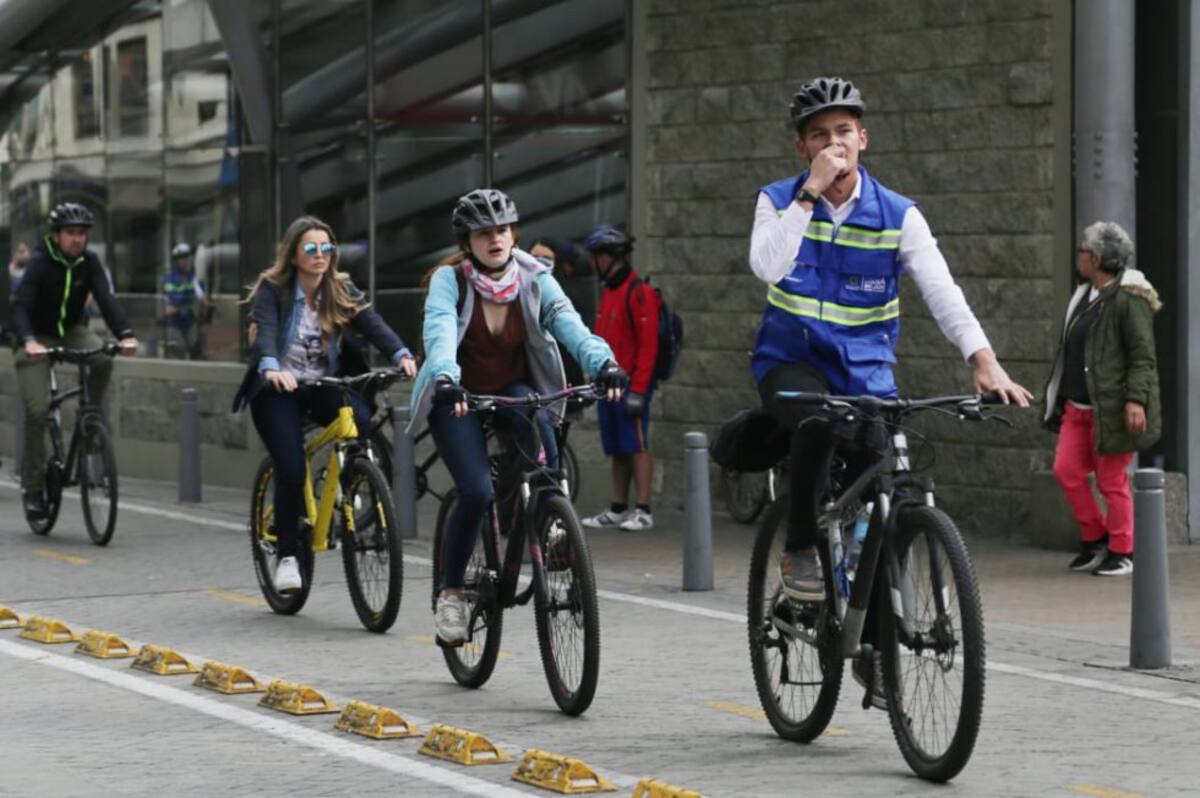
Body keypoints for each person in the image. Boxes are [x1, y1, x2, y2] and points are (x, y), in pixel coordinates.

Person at [749, 76, 1032, 704]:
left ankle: (873, 645)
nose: (834, 143)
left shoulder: (898, 214)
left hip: (867, 376)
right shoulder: (777, 200)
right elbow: (767, 266)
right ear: (803, 148)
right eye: (819, 135)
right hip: (793, 365)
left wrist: (983, 362)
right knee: (817, 425)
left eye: (843, 131)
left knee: (886, 494)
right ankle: (799, 551)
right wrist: (809, 195)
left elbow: (942, 291)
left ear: (864, 138)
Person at [408, 188, 626, 647]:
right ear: (467, 241)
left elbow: (569, 323)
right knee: (475, 489)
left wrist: (602, 363)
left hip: (511, 390)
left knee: (542, 440)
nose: (495, 239)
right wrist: (446, 379)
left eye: (502, 230)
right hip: (459, 395)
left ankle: (551, 527)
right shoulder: (452, 281)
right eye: (484, 232)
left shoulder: (535, 277)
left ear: (513, 234)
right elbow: (440, 330)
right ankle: (452, 592)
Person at [231, 216, 417, 593]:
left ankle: (354, 482)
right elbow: (265, 330)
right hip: (277, 389)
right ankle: (287, 555)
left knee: (360, 421)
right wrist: (270, 368)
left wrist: (401, 354)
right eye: (311, 249)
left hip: (323, 383)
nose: (320, 255)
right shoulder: (275, 288)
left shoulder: (340, 288)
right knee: (292, 467)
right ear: (294, 254)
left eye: (326, 248)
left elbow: (372, 323)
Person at [1044, 222, 1160, 577]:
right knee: (1066, 472)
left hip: (1113, 410)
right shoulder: (1083, 295)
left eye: (1082, 250)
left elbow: (1142, 356)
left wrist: (1136, 401)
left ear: (1095, 258)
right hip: (1078, 410)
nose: (1078, 254)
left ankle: (1122, 550)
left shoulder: (1129, 299)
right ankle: (1095, 538)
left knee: (1112, 482)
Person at [11, 203, 139, 519]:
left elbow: (106, 299)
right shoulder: (41, 263)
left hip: (71, 331)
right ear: (56, 236)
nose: (77, 240)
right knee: (38, 409)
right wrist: (28, 340)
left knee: (101, 359)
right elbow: (20, 307)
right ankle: (33, 488)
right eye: (70, 233)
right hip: (35, 337)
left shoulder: (89, 262)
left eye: (82, 234)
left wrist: (125, 334)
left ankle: (90, 418)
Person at [579, 226, 661, 532]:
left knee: (637, 445)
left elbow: (648, 344)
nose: (592, 263)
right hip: (608, 385)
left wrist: (639, 389)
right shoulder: (610, 291)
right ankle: (618, 507)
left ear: (610, 257)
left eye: (596, 257)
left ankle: (643, 509)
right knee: (616, 445)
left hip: (630, 385)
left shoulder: (638, 292)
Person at [161, 242, 210, 359]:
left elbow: (200, 295)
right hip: (174, 322)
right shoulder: (169, 277)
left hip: (189, 320)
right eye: (182, 258)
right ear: (176, 261)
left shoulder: (192, 277)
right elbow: (173, 297)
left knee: (196, 350)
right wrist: (187, 299)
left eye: (187, 258)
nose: (185, 261)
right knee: (178, 350)